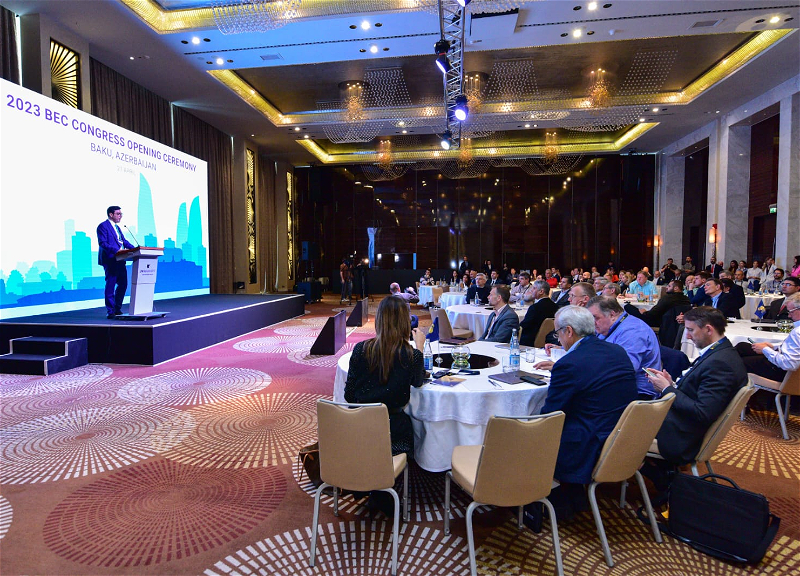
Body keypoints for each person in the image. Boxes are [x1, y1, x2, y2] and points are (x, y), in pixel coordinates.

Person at [538, 306, 638, 485]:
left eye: (557, 333)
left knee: (523, 437)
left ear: (569, 331)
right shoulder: (617, 351)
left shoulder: (569, 364)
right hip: (622, 437)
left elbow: (550, 416)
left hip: (586, 446)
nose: (558, 339)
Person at [344, 296, 425, 517]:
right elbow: (419, 382)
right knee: (411, 426)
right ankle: (381, 488)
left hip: (358, 430)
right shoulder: (411, 355)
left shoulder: (360, 349)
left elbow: (349, 396)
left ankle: (369, 485)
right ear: (404, 322)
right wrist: (420, 347)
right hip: (393, 434)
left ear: (379, 320)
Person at [645, 307, 748, 470]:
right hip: (681, 424)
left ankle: (643, 471)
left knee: (615, 418)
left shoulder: (720, 364)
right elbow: (697, 392)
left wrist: (667, 390)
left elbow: (702, 412)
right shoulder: (721, 352)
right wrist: (671, 384)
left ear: (708, 329)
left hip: (680, 436)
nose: (687, 336)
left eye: (691, 330)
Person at [588, 296, 661, 399]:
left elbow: (623, 371)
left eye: (596, 317)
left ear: (612, 315)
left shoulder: (633, 331)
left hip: (637, 394)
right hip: (614, 387)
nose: (592, 322)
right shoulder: (608, 327)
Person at [735, 293, 800, 381]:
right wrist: (773, 346)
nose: (789, 315)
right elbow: (794, 347)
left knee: (740, 362)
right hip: (783, 359)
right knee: (742, 346)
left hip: (782, 371)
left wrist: (765, 349)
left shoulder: (797, 332)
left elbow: (789, 364)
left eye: (790, 312)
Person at [96, 205, 135, 319]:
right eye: (118, 214)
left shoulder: (117, 227)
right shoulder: (103, 226)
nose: (120, 216)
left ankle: (117, 308)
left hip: (120, 259)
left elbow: (123, 241)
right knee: (111, 284)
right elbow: (102, 243)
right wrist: (116, 250)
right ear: (111, 214)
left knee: (123, 284)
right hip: (110, 259)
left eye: (121, 214)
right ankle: (110, 311)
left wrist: (136, 249)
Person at [625, 279, 690, 328]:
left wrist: (645, 312)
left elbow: (653, 313)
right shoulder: (686, 299)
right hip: (674, 324)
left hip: (661, 322)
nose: (666, 287)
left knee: (628, 307)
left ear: (676, 288)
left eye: (669, 286)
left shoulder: (668, 298)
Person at [519, 280, 558, 347]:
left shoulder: (535, 308)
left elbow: (524, 326)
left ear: (541, 291)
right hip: (549, 340)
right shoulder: (556, 307)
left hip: (530, 340)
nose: (531, 290)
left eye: (534, 288)